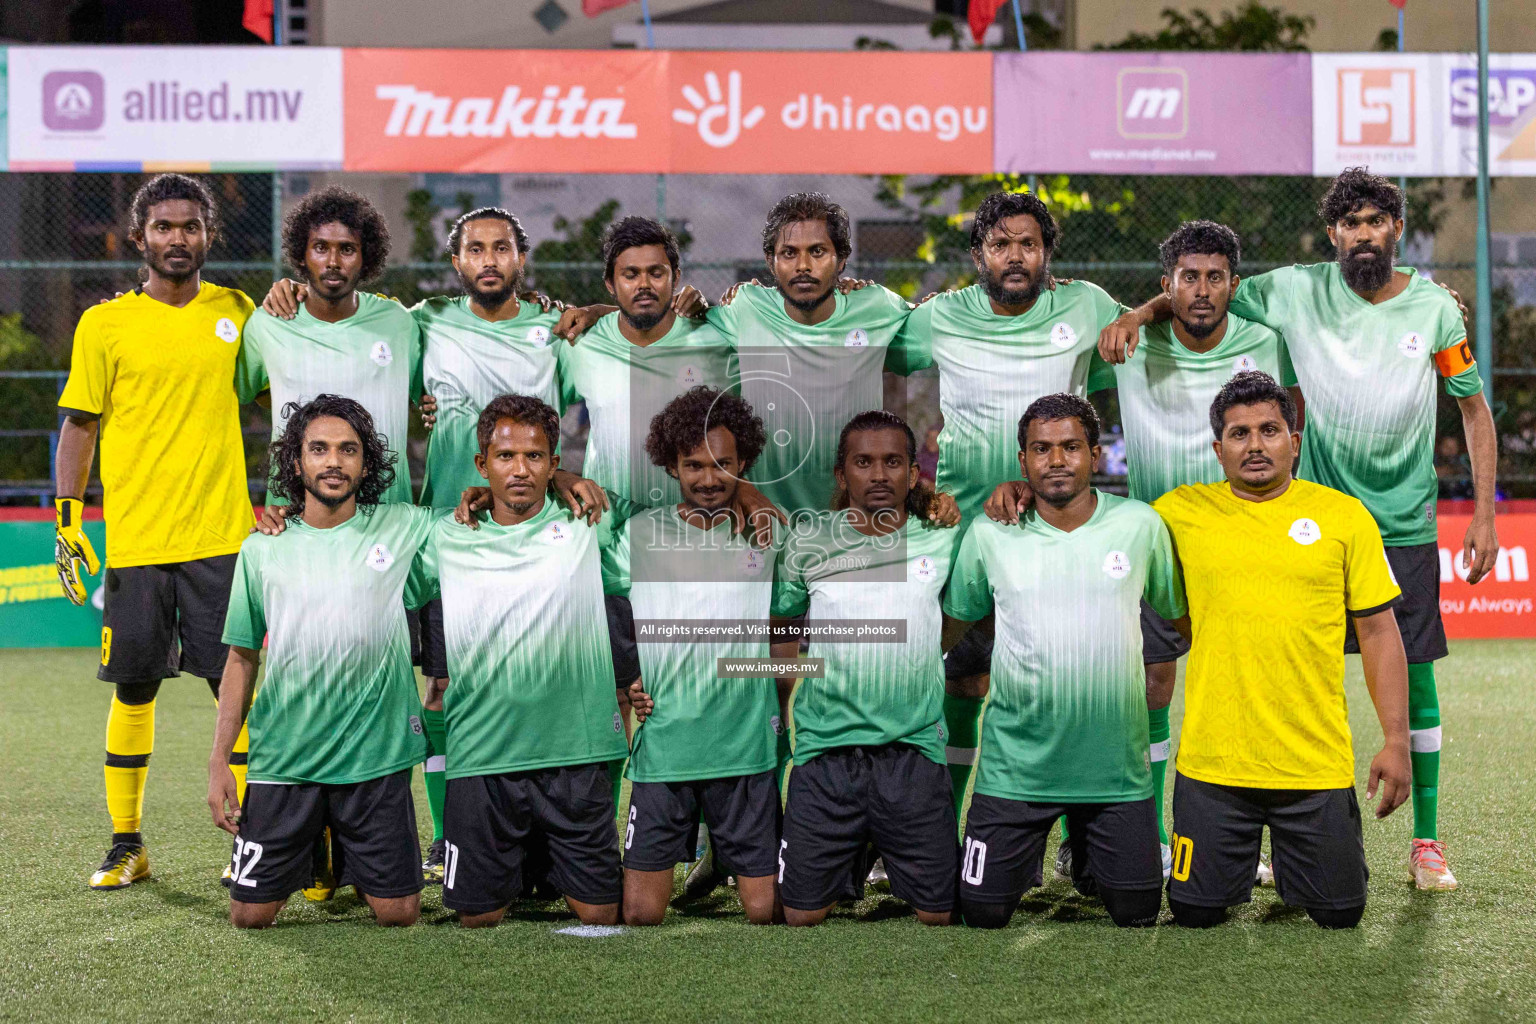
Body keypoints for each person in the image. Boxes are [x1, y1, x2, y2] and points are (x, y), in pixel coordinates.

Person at [1103, 169, 1498, 890]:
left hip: (1402, 523)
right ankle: (1213, 830)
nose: (1364, 234)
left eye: (1377, 221)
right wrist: (1135, 313)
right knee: (1240, 676)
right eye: (1351, 224)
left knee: (1415, 676)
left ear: (1395, 230)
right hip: (1306, 520)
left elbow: (1473, 409)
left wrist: (1482, 513)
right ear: (1334, 235)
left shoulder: (1438, 313)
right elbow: (1199, 296)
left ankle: (1427, 841)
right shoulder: (1290, 289)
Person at [985, 220, 1297, 881]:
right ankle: (1134, 835)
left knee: (1245, 689)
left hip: (1238, 543)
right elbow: (1061, 387)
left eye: (1216, 277)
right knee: (1146, 688)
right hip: (1149, 547)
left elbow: (1287, 417)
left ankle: (1254, 837)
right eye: (1188, 278)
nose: (1203, 290)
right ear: (1168, 284)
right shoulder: (1128, 344)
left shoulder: (1264, 343)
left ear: (1233, 285)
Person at [891, 190, 1128, 821]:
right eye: (1001, 244)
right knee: (957, 682)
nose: (1015, 255)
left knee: (1069, 687)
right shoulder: (939, 316)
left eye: (1028, 243)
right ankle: (935, 829)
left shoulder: (1086, 306)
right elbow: (871, 350)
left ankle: (1085, 841)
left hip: (1056, 535)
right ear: (978, 254)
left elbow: (1122, 360)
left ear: (1048, 251)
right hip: (965, 532)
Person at [54, 173, 256, 890]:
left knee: (234, 694)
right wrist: (68, 518)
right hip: (138, 543)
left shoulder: (240, 313)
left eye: (191, 226)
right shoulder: (104, 324)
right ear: (140, 237)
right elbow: (80, 423)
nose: (179, 238)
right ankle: (127, 843)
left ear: (210, 235)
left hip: (223, 542)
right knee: (133, 691)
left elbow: (295, 386)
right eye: (164, 227)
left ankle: (253, 843)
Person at [1154, 372, 1411, 928]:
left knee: (1341, 914)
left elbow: (1379, 632)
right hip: (1213, 767)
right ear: (1218, 449)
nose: (1255, 445)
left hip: (1314, 766)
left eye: (1269, 430)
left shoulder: (1344, 517)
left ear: (1294, 442)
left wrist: (1396, 740)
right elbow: (1094, 520)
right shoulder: (1178, 513)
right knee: (1195, 912)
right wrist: (1023, 491)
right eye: (1239, 434)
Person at [945, 394, 1184, 928]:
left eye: (1071, 447)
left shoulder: (1141, 526)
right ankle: (1026, 848)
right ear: (1023, 460)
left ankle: (1083, 851)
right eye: (1042, 449)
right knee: (981, 913)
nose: (1057, 460)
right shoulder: (990, 532)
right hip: (1014, 773)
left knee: (1138, 910)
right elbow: (954, 622)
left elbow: (1180, 617)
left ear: (1094, 456)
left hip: (1116, 776)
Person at [208, 395, 434, 929]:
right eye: (319, 449)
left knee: (399, 914)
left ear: (366, 462)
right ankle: (319, 841)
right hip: (287, 758)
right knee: (249, 915)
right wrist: (220, 759)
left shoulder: (402, 528)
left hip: (375, 758)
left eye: (348, 450)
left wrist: (561, 478)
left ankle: (337, 844)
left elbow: (482, 512)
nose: (334, 461)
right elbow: (242, 657)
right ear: (296, 462)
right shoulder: (263, 548)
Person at [414, 394, 629, 927]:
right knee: (478, 918)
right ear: (481, 465)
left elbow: (666, 514)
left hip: (574, 757)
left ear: (555, 464)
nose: (520, 469)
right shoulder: (446, 534)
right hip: (484, 759)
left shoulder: (589, 519)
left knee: (601, 911)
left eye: (535, 457)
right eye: (505, 457)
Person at [770, 411, 961, 927]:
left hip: (912, 751)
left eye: (893, 461)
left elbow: (958, 619)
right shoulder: (808, 539)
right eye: (863, 462)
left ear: (913, 473)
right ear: (841, 475)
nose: (878, 474)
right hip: (827, 752)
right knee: (799, 916)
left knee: (940, 916)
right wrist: (783, 711)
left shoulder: (941, 537)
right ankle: (849, 857)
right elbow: (784, 626)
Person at [611, 386, 785, 926]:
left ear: (744, 464)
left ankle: (726, 860)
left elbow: (797, 623)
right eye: (693, 465)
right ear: (671, 466)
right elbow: (606, 602)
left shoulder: (769, 535)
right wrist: (630, 677)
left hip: (746, 751)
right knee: (640, 914)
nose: (708, 479)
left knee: (767, 912)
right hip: (667, 747)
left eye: (723, 465)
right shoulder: (637, 534)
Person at [238, 186, 422, 506]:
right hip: (294, 520)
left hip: (386, 520)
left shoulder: (398, 324)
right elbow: (243, 393)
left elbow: (421, 396)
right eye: (320, 247)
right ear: (302, 255)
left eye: (347, 249)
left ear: (367, 258)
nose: (333, 261)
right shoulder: (267, 325)